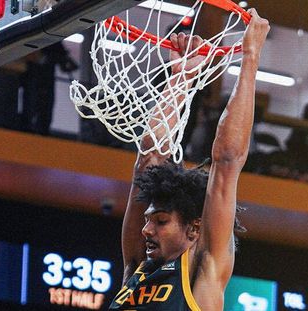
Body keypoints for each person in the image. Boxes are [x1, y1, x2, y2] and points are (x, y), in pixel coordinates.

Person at [109, 9, 269, 311]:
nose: (146, 230)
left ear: (194, 230)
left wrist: (250, 57)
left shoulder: (203, 269)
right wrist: (181, 77)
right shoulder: (136, 269)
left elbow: (227, 162)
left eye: (160, 221)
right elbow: (150, 155)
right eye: (149, 220)